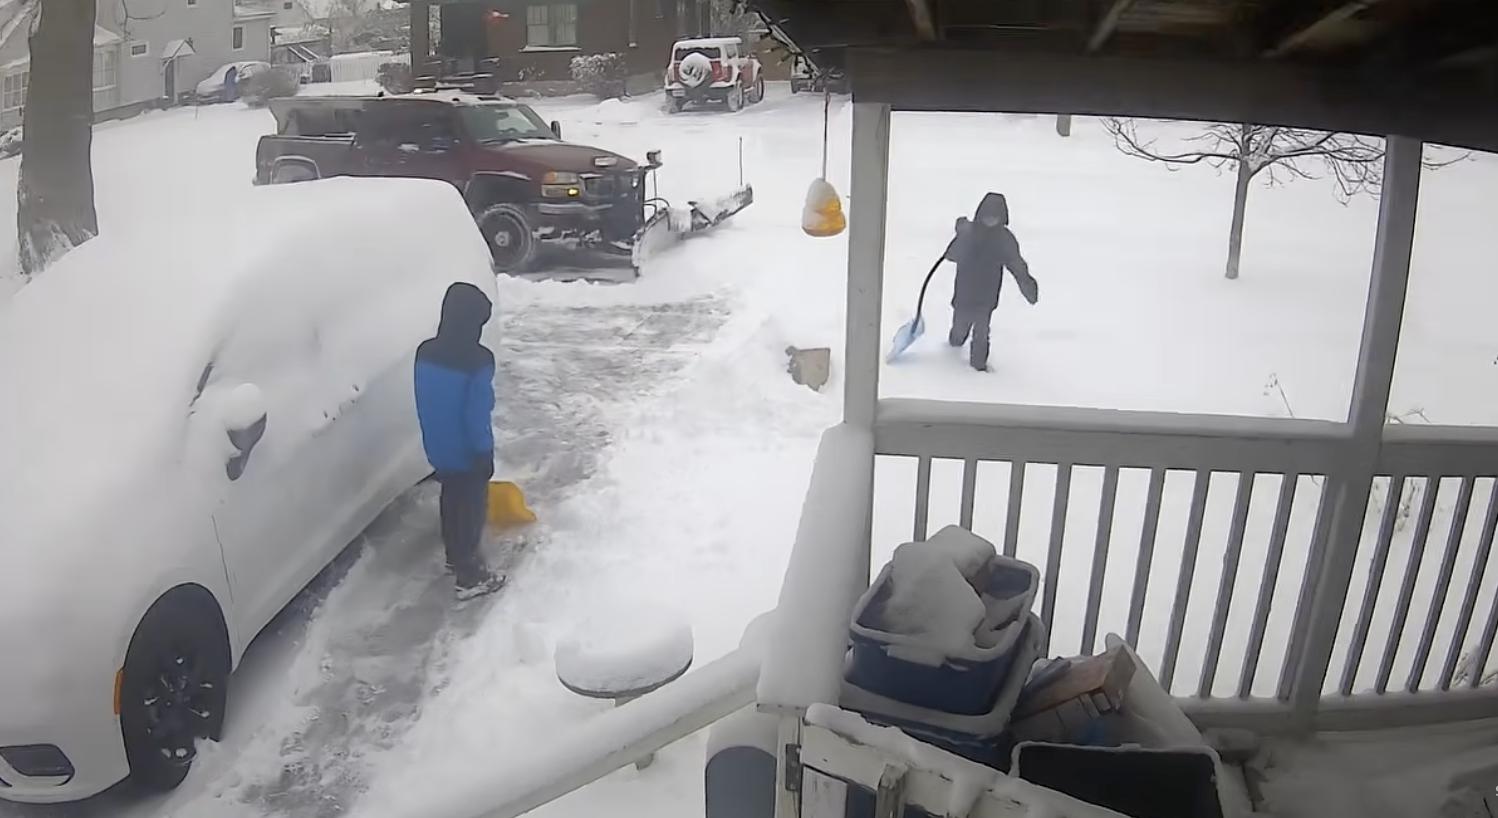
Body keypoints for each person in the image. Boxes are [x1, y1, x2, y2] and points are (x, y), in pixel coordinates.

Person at [414, 282, 505, 600]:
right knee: (471, 508)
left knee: (451, 499)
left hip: (438, 445)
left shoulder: (425, 352)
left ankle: (454, 557)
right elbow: (476, 413)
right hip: (467, 450)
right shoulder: (478, 360)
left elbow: (427, 398)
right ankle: (470, 577)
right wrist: (483, 453)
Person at [944, 192, 1035, 372]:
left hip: (987, 294)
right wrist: (961, 236)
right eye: (987, 217)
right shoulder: (969, 233)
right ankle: (955, 342)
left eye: (995, 218)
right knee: (960, 328)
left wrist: (1027, 284)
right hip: (964, 291)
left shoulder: (1004, 240)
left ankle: (978, 365)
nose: (990, 221)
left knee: (982, 331)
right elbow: (951, 255)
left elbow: (1016, 264)